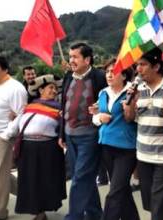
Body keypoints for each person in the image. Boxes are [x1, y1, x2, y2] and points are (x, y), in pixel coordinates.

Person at [123, 47, 163, 220]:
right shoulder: (137, 87)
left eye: (143, 65)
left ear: (156, 67)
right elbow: (130, 118)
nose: (138, 69)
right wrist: (131, 103)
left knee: (160, 204)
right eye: (137, 65)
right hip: (143, 154)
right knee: (149, 202)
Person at [59, 42, 107, 220]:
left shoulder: (99, 77)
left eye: (75, 57)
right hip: (70, 135)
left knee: (79, 178)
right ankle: (95, 215)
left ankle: (74, 216)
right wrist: (62, 135)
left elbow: (109, 102)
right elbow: (64, 105)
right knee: (84, 178)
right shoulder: (68, 77)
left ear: (87, 59)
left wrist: (101, 108)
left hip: (90, 136)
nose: (71, 60)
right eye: (70, 56)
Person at [10, 74, 66, 220]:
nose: (54, 91)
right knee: (29, 180)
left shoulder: (60, 109)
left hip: (48, 149)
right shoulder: (29, 107)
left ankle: (43, 209)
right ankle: (37, 211)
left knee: (45, 180)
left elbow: (63, 129)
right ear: (40, 90)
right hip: (27, 148)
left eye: (55, 89)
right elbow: (17, 125)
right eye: (50, 88)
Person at [91, 58, 139, 220]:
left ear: (124, 75)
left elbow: (135, 118)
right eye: (107, 72)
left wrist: (130, 107)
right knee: (122, 190)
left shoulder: (132, 92)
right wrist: (99, 117)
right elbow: (95, 115)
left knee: (115, 192)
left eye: (114, 71)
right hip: (106, 146)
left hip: (126, 148)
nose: (109, 75)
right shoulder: (103, 92)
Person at [0, 56, 28, 220]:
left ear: (5, 69)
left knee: (0, 177)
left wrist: (6, 135)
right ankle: (29, 194)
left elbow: (20, 114)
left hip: (4, 137)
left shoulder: (15, 88)